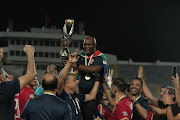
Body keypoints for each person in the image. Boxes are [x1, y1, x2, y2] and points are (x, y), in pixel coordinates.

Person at [56, 49, 102, 120]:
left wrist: (97, 80)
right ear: (67, 84)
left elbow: (91, 96)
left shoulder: (76, 97)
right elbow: (60, 80)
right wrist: (69, 63)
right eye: (74, 80)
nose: (77, 82)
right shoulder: (62, 95)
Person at [71, 36, 107, 120]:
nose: (86, 46)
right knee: (78, 112)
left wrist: (78, 65)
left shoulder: (99, 57)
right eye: (85, 44)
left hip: (95, 93)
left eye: (89, 44)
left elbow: (95, 69)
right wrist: (69, 61)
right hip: (81, 92)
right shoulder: (81, 57)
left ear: (95, 45)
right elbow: (75, 69)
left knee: (88, 111)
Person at [0, 45, 36, 120]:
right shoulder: (6, 88)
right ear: (1, 77)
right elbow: (31, 75)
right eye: (4, 75)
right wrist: (30, 53)